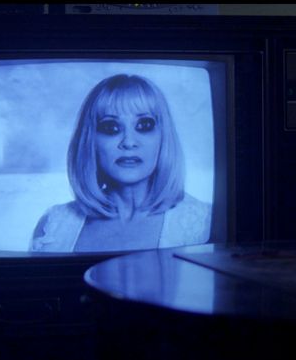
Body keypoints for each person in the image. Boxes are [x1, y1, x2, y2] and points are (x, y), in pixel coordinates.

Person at [31, 74, 211, 253]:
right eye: (111, 128)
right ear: (90, 141)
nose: (129, 142)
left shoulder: (205, 222)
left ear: (163, 137)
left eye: (144, 125)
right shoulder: (53, 227)